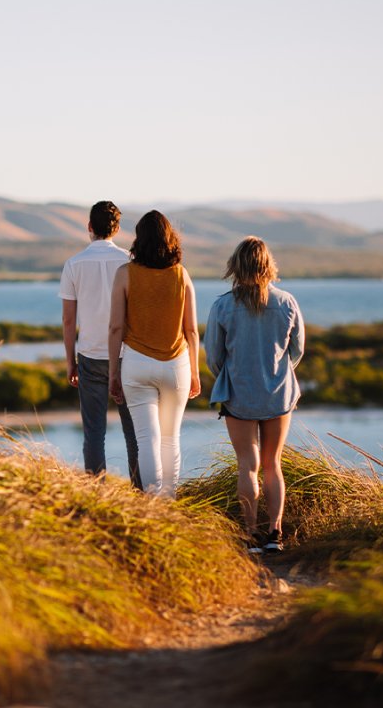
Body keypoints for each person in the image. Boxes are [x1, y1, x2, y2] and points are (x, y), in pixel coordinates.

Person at [204, 236, 305, 554]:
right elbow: (298, 349)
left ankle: (251, 535)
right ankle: (275, 534)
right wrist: (279, 371)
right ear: (267, 265)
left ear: (235, 266)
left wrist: (231, 373)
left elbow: (213, 357)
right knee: (272, 464)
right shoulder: (287, 301)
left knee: (246, 465)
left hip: (239, 395)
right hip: (278, 396)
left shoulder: (222, 305)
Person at [107, 210, 201, 498]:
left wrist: (113, 373)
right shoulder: (181, 274)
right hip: (176, 365)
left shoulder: (125, 274)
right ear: (170, 238)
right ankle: (169, 500)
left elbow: (115, 328)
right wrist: (196, 372)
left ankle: (153, 503)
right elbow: (192, 331)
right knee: (170, 438)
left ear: (139, 240)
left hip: (136, 363)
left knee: (147, 438)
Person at [60, 201, 142, 488]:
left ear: (89, 227)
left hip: (90, 356)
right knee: (134, 433)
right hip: (127, 355)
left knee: (94, 432)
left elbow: (69, 322)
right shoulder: (131, 262)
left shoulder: (74, 264)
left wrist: (71, 362)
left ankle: (97, 492)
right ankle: (142, 495)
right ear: (117, 229)